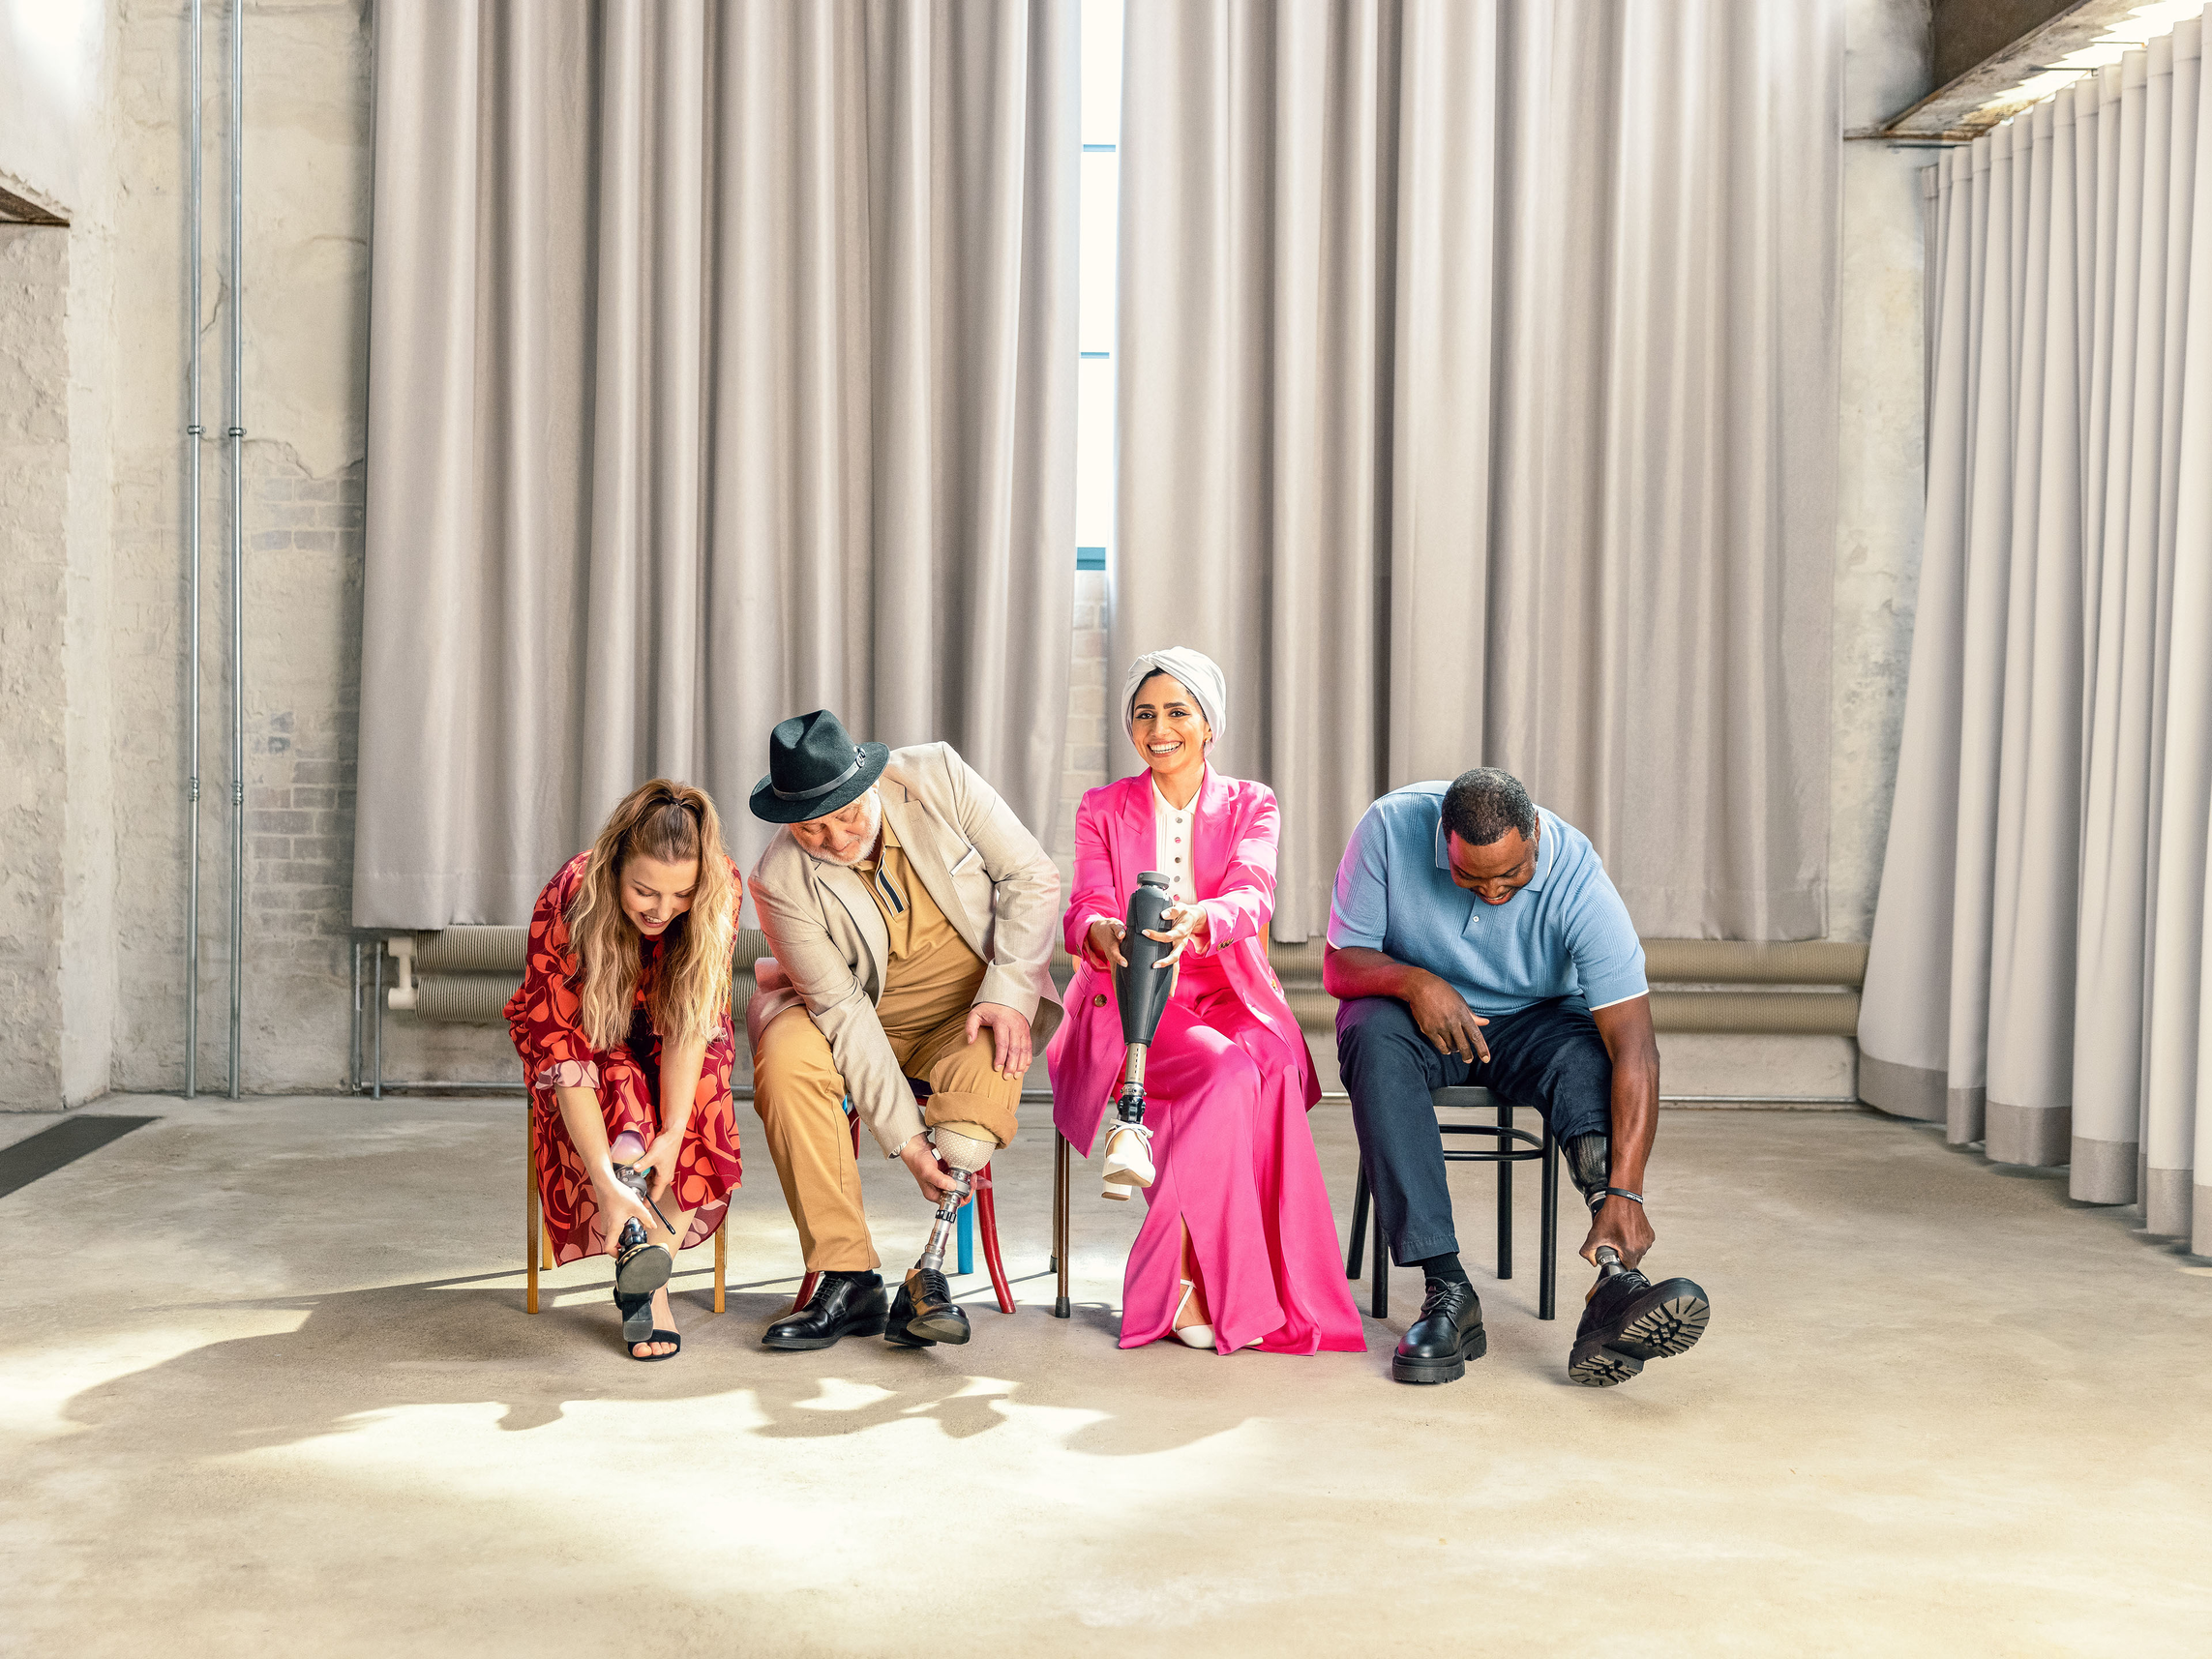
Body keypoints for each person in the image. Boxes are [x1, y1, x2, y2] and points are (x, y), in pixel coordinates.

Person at [1326, 768, 1711, 1387]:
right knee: (1369, 1035)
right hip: (1417, 1017)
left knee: (1589, 1058)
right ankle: (1448, 1291)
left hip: (1535, 1021)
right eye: (1470, 877)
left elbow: (1637, 1047)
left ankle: (1615, 1282)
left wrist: (1628, 1193)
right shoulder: (1391, 828)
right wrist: (1415, 982)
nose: (1493, 892)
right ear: (1443, 837)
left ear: (1533, 832)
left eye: (1511, 874)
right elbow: (1340, 964)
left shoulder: (1579, 880)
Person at [1048, 649, 1364, 1355]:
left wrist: (1204, 918)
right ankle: (1185, 1278)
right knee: (1227, 1073)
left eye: (1177, 712)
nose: (1159, 729)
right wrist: (1101, 930)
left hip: (1226, 987)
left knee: (1273, 1065)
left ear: (1209, 725)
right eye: (1144, 714)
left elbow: (1254, 892)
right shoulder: (1102, 807)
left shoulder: (1253, 803)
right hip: (1135, 999)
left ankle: (1269, 1286)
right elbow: (1085, 905)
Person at [746, 709, 1062, 1351]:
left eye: (846, 816)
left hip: (973, 1008)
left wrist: (1008, 993)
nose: (835, 839)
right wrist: (908, 1143)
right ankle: (849, 1277)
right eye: (811, 828)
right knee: (785, 1059)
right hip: (860, 1017)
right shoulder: (778, 880)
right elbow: (842, 1011)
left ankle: (928, 1274)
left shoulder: (938, 775)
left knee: (969, 1129)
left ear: (869, 782)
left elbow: (1030, 875)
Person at [505, 779, 743, 1361]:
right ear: (614, 866)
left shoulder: (721, 887)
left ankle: (647, 1277)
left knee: (704, 1086)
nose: (663, 910)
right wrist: (603, 1181)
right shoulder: (570, 897)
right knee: (620, 1082)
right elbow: (565, 1052)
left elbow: (691, 1020)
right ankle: (635, 1244)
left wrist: (674, 1132)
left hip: (675, 1028)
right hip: (588, 1034)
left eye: (682, 894)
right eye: (644, 891)